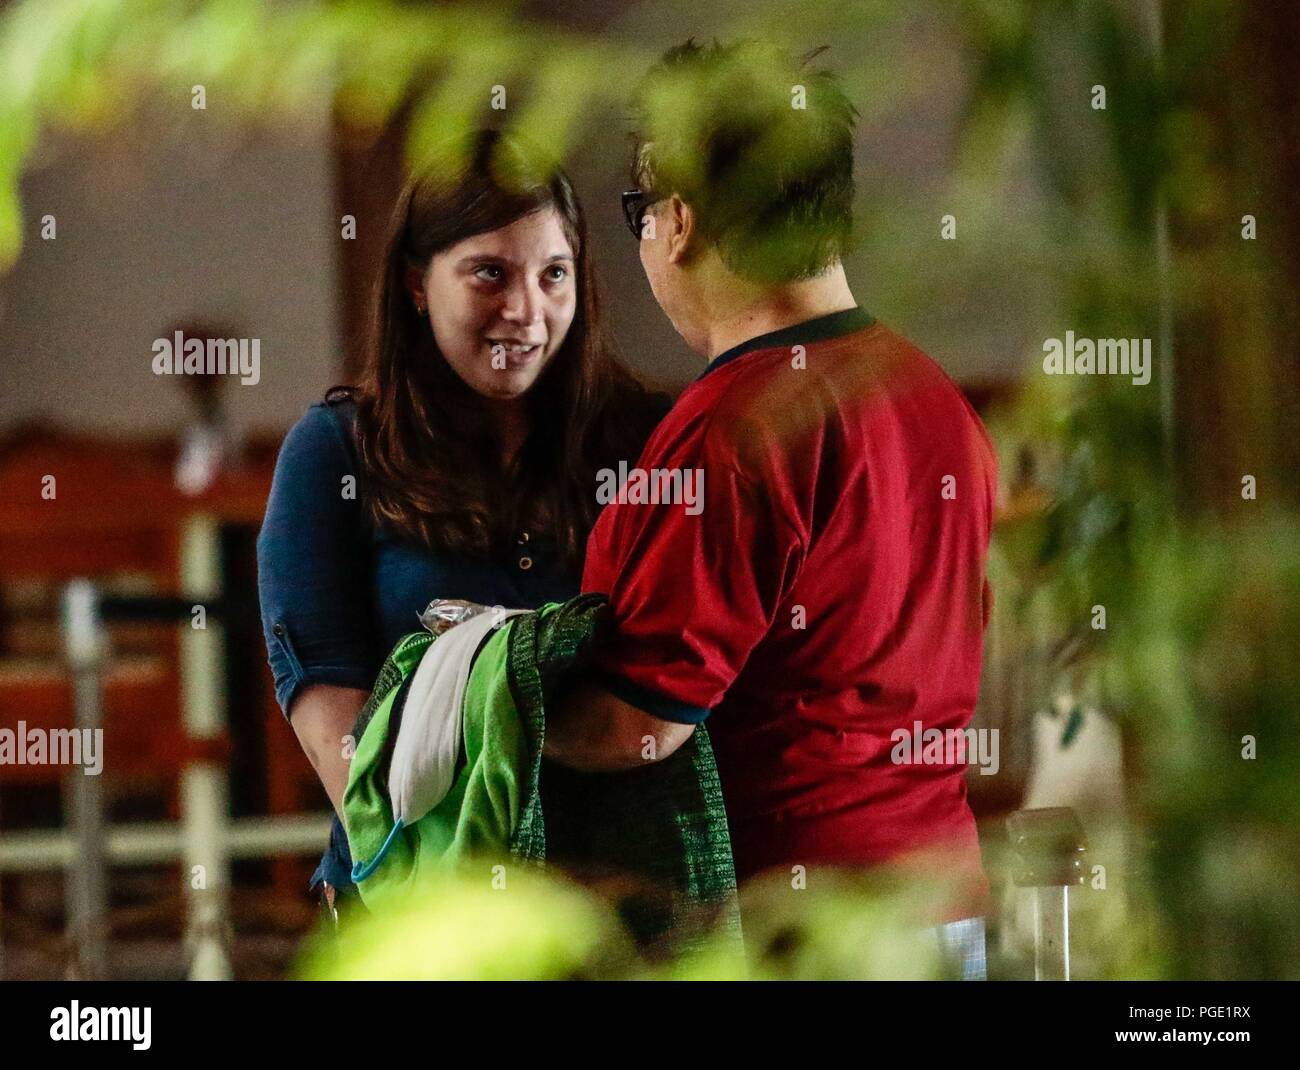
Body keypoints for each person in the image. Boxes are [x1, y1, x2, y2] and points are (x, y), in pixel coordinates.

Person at [546, 41, 997, 979]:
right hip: (945, 908)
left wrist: (471, 709)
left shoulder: (738, 426)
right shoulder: (937, 400)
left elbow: (641, 724)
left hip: (798, 933)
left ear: (681, 219)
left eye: (640, 213)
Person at [257, 129, 665, 926]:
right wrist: (429, 902)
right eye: (489, 273)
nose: (526, 310)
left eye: (555, 275)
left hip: (617, 894)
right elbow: (330, 717)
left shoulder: (642, 442)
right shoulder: (335, 450)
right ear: (417, 282)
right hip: (412, 894)